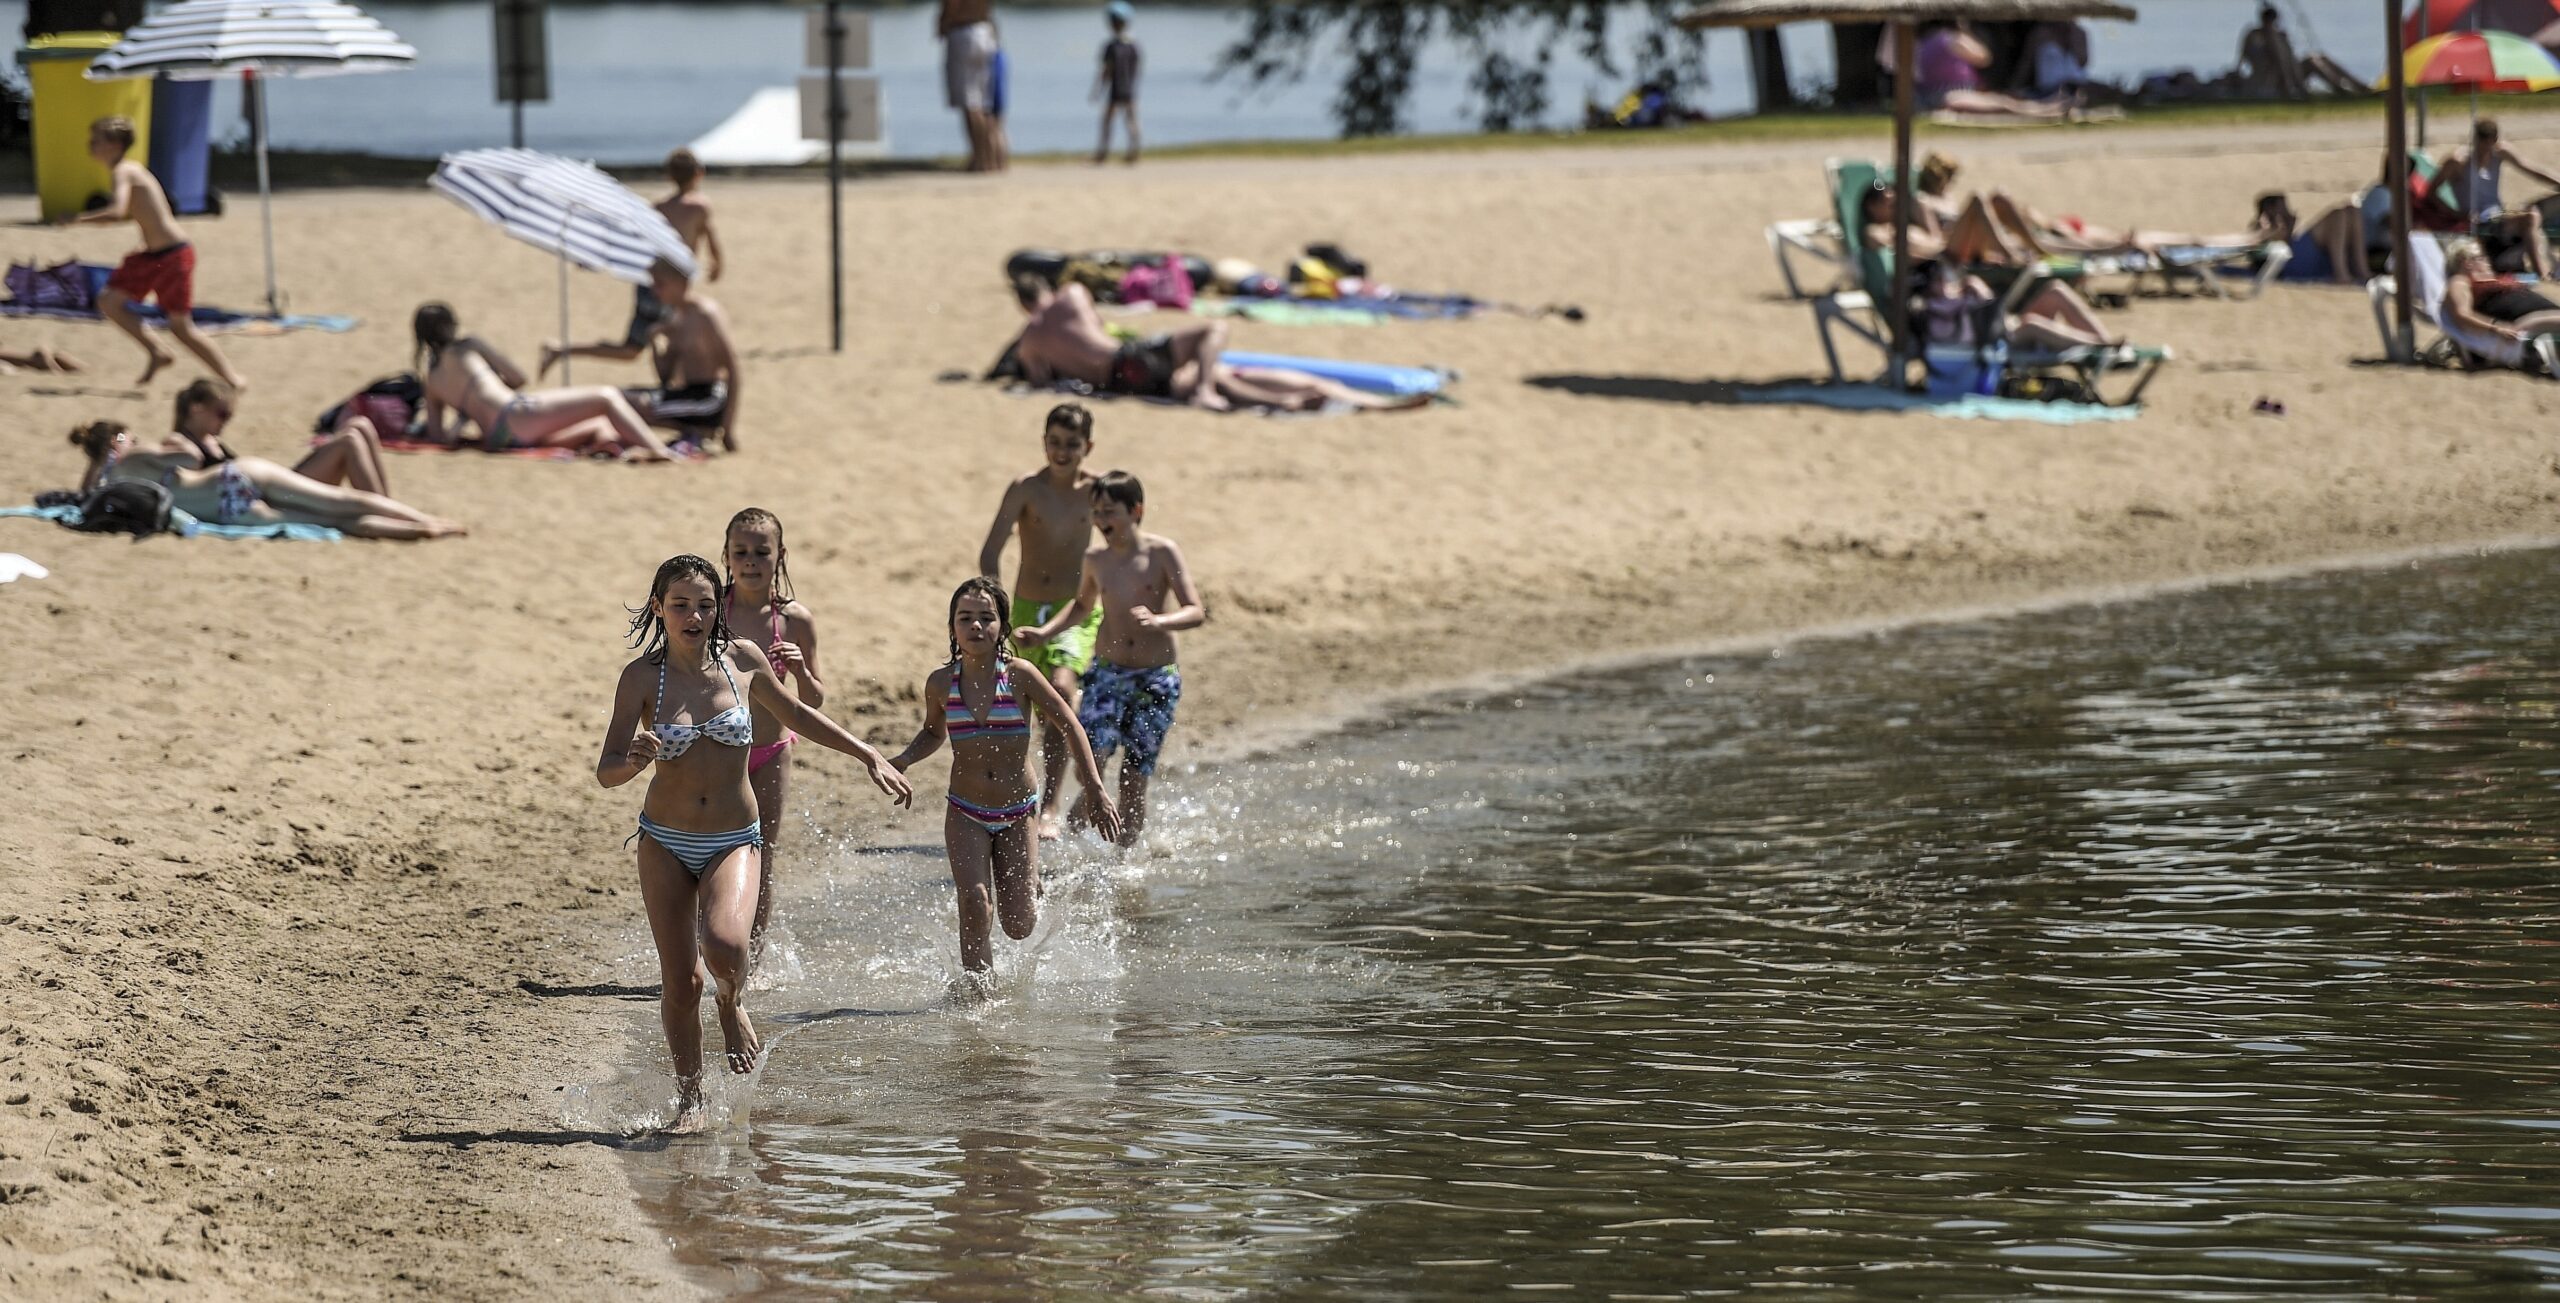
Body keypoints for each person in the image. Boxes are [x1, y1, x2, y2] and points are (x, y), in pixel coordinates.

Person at [597, 555, 912, 1131]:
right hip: (663, 841)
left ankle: (731, 1001)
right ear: (658, 610)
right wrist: (634, 761)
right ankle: (689, 1104)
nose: (693, 615)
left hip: (734, 839)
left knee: (724, 948)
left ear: (719, 609)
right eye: (680, 605)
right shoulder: (642, 677)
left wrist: (868, 753)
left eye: (705, 604)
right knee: (679, 980)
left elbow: (796, 715)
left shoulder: (742, 659)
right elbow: (607, 770)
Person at [888, 578, 1119, 988]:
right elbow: (932, 732)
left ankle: (1030, 882)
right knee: (975, 902)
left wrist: (1097, 789)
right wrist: (903, 760)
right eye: (965, 618)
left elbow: (1069, 725)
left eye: (986, 618)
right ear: (952, 627)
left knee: (1018, 925)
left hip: (1016, 812)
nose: (976, 626)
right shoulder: (941, 683)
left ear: (1003, 627)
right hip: (965, 810)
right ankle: (979, 994)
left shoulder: (1020, 676)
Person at [1021, 471, 1203, 848]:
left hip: (1155, 679)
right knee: (1095, 759)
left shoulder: (1162, 552)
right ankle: (1080, 826)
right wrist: (1043, 634)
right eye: (1097, 513)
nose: (1102, 522)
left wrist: (1160, 620)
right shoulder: (1096, 559)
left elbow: (1195, 610)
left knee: (1134, 778)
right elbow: (1081, 606)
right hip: (1107, 674)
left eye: (1110, 512)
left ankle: (1123, 866)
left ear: (1136, 510)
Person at [1010, 276, 1426, 413]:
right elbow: (1100, 326)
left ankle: (1286, 401)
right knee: (1214, 331)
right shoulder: (1072, 295)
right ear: (1045, 289)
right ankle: (1210, 386)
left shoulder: (1029, 343)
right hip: (1129, 357)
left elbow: (1044, 383)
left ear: (1022, 304)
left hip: (1121, 383)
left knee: (1228, 379)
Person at [977, 403, 1103, 838]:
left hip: (1074, 611)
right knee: (1020, 707)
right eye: (1055, 442)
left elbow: (1117, 545)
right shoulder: (1026, 488)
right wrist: (997, 606)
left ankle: (1050, 806)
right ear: (1043, 442)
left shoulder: (1095, 492)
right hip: (1027, 608)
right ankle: (1017, 800)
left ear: (1088, 446)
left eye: (1072, 444)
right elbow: (991, 549)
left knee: (1063, 692)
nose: (1062, 452)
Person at [60, 116, 245, 390]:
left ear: (114, 145)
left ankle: (232, 379)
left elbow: (117, 211)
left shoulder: (125, 171)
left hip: (173, 255)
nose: (90, 146)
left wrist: (76, 219)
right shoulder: (126, 170)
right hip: (152, 255)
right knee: (109, 302)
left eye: (96, 141)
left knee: (181, 327)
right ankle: (157, 351)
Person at [70, 420, 466, 540]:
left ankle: (417, 531)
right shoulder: (135, 454)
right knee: (340, 500)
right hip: (231, 476)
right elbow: (190, 456)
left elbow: (83, 492)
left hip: (227, 511)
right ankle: (423, 518)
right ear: (118, 440)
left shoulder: (106, 485)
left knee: (334, 522)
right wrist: (169, 444)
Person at [719, 508, 821, 956]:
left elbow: (815, 700)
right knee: (713, 851)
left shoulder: (794, 619)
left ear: (781, 556)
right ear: (725, 556)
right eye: (741, 552)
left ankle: (749, 960)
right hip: (720, 754)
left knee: (763, 853)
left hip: (773, 751)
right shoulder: (712, 610)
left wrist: (799, 670)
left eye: (762, 552)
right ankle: (713, 941)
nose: (751, 561)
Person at [411, 303, 679, 460]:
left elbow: (438, 437)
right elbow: (518, 378)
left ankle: (612, 445)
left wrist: (463, 416)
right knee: (606, 397)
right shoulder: (467, 346)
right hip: (515, 413)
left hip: (497, 438)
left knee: (598, 423)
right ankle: (659, 451)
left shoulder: (431, 379)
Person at [542, 258, 743, 451]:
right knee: (617, 397)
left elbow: (733, 369)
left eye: (660, 284)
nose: (655, 291)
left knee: (630, 406)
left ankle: (702, 429)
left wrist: (728, 429)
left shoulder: (705, 314)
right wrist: (656, 341)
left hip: (708, 399)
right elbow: (666, 377)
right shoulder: (675, 316)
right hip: (685, 394)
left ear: (681, 284)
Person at [152, 376, 394, 496]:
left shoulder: (209, 440)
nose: (226, 422)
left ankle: (387, 504)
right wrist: (121, 441)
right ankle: (382, 507)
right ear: (196, 409)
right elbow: (162, 458)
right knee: (349, 441)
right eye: (222, 414)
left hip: (273, 484)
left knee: (359, 425)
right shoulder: (180, 442)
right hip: (267, 497)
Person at [609, 149, 723, 365]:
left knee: (633, 348)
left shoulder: (658, 207)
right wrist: (718, 265)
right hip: (675, 282)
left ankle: (566, 350)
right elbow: (711, 239)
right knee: (676, 337)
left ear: (669, 176)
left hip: (651, 280)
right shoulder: (700, 207)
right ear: (700, 173)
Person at [2441, 119, 2560, 277]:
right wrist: (2455, 213)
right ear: (2474, 140)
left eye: (2489, 145)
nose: (2485, 151)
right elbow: (2431, 192)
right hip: (2479, 220)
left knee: (2540, 210)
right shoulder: (2459, 161)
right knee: (2531, 218)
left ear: (2494, 141)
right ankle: (2543, 273)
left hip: (2497, 215)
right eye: (2481, 145)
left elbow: (2532, 170)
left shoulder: (2499, 152)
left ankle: (2550, 266)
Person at [1911, 20, 2069, 121]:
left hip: (1934, 95)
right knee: (2005, 104)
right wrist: (1966, 31)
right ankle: (2045, 111)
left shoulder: (1924, 41)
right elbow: (1983, 57)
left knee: (2004, 101)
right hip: (1951, 96)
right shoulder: (1951, 38)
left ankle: (2046, 108)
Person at [2442, 237, 2560, 353]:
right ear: (2467, 262)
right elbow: (2462, 314)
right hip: (2522, 324)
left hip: (2539, 316)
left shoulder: (2490, 278)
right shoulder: (2459, 281)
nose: (2487, 261)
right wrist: (2496, 327)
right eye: (2482, 257)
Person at [2236, 4, 2364, 100]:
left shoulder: (2276, 36)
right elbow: (2280, 62)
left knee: (2319, 57)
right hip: (2274, 82)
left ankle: (2359, 86)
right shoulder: (2257, 36)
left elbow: (2288, 60)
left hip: (2289, 76)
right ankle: (2342, 90)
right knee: (2313, 62)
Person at [939, 0, 1007, 173]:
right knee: (985, 104)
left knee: (970, 104)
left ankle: (980, 159)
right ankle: (993, 158)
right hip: (985, 32)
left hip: (963, 34)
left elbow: (951, 7)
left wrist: (942, 25)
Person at [1094, 1, 1142, 166]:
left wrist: (1098, 90)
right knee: (1131, 120)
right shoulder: (1134, 46)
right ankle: (1133, 151)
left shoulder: (1111, 46)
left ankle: (1103, 152)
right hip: (1129, 88)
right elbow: (1137, 69)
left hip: (1116, 89)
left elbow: (1106, 71)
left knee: (1108, 121)